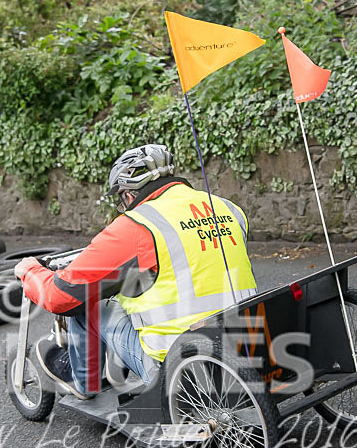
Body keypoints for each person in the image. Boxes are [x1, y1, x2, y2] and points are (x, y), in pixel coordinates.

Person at [14, 144, 257, 399]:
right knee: (136, 293)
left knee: (91, 303)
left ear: (129, 195)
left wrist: (29, 270)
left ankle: (84, 383)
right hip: (244, 346)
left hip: (177, 364)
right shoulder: (227, 208)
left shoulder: (137, 225)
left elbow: (59, 296)